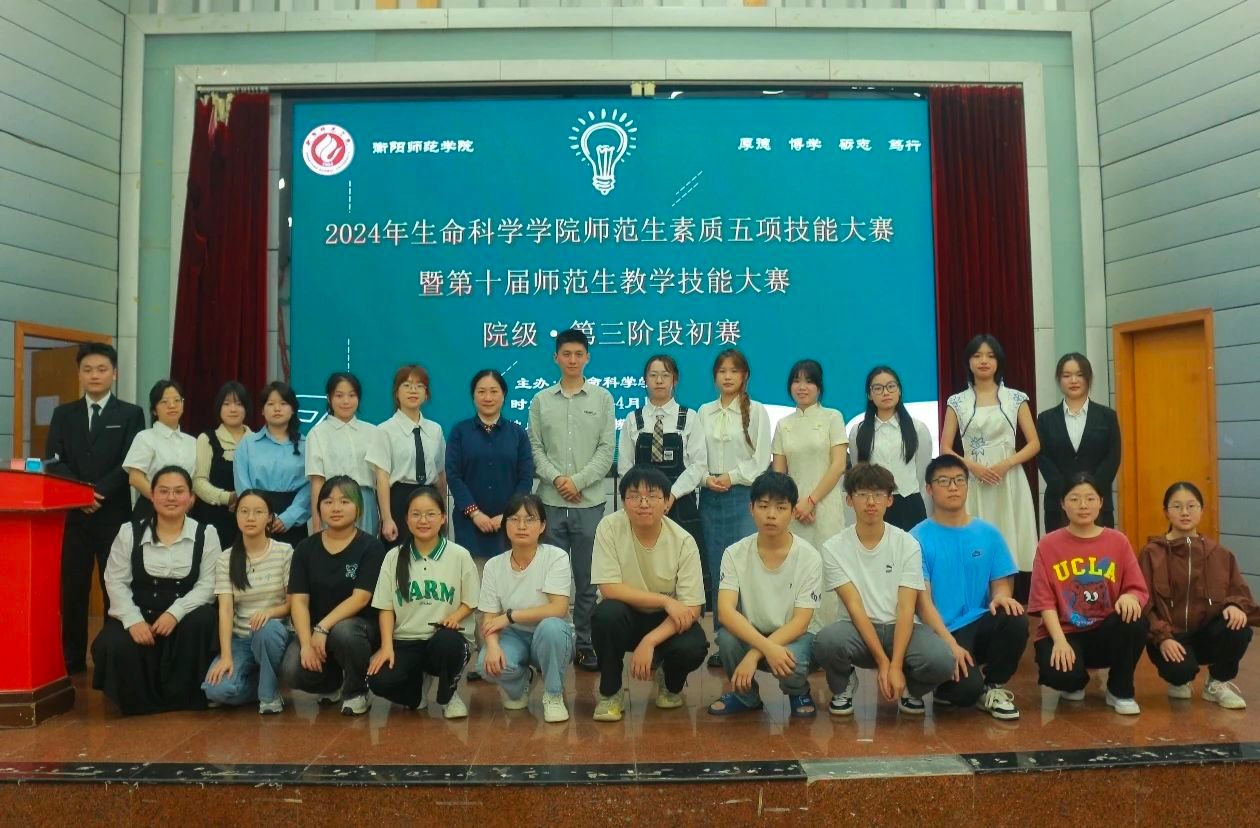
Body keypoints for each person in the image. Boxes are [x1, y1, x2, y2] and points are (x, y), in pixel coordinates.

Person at [813, 463, 954, 717]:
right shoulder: (834, 548)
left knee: (943, 659)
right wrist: (882, 662)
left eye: (878, 494)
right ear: (849, 500)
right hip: (858, 630)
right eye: (862, 494)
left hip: (903, 628)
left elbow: (906, 606)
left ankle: (911, 689)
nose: (871, 502)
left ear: (890, 500)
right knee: (826, 641)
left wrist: (896, 665)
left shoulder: (908, 543)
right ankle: (844, 686)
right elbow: (854, 606)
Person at [45, 342, 146, 675]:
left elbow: (130, 462)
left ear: (114, 373)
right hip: (74, 517)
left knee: (114, 589)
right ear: (79, 374)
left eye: (102, 369)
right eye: (87, 370)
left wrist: (96, 493)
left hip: (113, 516)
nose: (94, 375)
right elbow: (53, 461)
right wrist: (80, 495)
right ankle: (71, 661)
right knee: (73, 590)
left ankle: (108, 661)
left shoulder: (131, 414)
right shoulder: (64, 414)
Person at [90, 466, 220, 715]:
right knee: (112, 643)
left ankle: (183, 697)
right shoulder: (129, 533)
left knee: (204, 618)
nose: (171, 498)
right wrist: (133, 620)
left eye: (179, 491)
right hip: (140, 615)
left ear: (191, 498)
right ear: (152, 495)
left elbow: (208, 585)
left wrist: (175, 613)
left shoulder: (207, 534)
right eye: (164, 491)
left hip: (182, 620)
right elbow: (115, 581)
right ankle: (138, 702)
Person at [911, 455, 1028, 720]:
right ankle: (944, 683)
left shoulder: (989, 533)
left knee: (1014, 617)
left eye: (959, 480)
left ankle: (994, 686)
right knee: (965, 693)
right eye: (944, 481)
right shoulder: (916, 538)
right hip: (940, 630)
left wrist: (1001, 597)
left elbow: (1001, 583)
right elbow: (922, 603)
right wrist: (949, 643)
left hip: (979, 622)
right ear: (929, 489)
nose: (953, 487)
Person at [589, 465, 707, 722]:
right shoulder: (609, 527)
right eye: (634, 496)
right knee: (605, 615)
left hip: (665, 621)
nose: (643, 503)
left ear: (666, 502)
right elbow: (609, 588)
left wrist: (650, 641)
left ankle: (670, 683)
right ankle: (611, 693)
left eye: (652, 496)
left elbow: (692, 608)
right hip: (624, 614)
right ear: (623, 502)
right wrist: (665, 600)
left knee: (694, 645)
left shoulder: (683, 541)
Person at [529, 328, 615, 672]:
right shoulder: (540, 400)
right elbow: (535, 448)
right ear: (556, 357)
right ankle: (550, 640)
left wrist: (576, 482)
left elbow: (606, 450)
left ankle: (583, 642)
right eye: (566, 354)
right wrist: (558, 480)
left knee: (587, 580)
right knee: (548, 578)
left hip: (589, 502)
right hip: (549, 502)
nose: (573, 360)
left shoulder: (602, 399)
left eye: (579, 354)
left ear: (587, 357)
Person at [1028, 473, 1149, 715]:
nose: (1083, 505)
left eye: (1090, 498)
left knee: (1135, 620)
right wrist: (1059, 641)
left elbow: (1137, 588)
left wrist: (1130, 596)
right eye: (1074, 499)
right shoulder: (1048, 544)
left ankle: (1120, 690)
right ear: (1063, 503)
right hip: (1065, 631)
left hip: (1105, 631)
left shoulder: (1118, 541)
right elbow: (1044, 601)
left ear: (1101, 502)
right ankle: (1075, 680)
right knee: (1062, 677)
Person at [708, 471, 821, 719]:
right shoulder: (734, 553)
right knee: (726, 639)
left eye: (780, 507)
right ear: (751, 508)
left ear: (793, 512)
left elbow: (801, 622)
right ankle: (745, 696)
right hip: (753, 631)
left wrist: (755, 654)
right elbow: (725, 612)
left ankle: (798, 691)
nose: (771, 514)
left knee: (793, 659)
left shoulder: (809, 556)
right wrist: (765, 647)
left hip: (794, 636)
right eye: (763, 506)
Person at [1140, 481, 1258, 709]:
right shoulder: (1151, 553)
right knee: (1179, 671)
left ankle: (1217, 683)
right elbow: (1145, 603)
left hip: (1207, 634)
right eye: (1177, 506)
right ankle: (1179, 680)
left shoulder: (1220, 554)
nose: (1185, 512)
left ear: (1202, 510)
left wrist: (1235, 605)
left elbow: (1239, 592)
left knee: (1239, 627)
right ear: (1166, 512)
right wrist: (1162, 637)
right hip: (1171, 638)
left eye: (1191, 506)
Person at [941, 334, 1040, 601]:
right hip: (973, 481)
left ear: (998, 361)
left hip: (1009, 480)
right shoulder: (957, 402)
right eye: (977, 356)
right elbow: (946, 448)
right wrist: (972, 467)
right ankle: (977, 604)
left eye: (990, 356)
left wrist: (1007, 463)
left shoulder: (1016, 398)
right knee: (974, 540)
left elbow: (1034, 443)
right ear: (968, 362)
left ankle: (1005, 603)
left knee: (1009, 538)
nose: (983, 361)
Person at [368, 486, 479, 719]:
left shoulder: (459, 555)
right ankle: (415, 691)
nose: (423, 520)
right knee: (377, 680)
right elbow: (386, 607)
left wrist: (454, 617)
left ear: (443, 518)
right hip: (406, 640)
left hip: (443, 639)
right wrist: (386, 646)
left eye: (431, 514)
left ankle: (449, 695)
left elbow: (471, 601)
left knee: (448, 643)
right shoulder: (393, 556)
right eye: (416, 514)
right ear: (406, 519)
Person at [281, 475, 386, 716]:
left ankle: (357, 691)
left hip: (360, 630)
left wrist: (323, 627)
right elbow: (299, 601)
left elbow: (361, 598)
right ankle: (332, 684)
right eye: (328, 502)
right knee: (291, 669)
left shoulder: (371, 547)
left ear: (358, 507)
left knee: (344, 632)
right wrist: (306, 643)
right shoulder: (305, 548)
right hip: (318, 632)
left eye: (344, 501)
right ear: (318, 508)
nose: (336, 508)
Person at [698, 349, 771, 662]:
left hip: (743, 496)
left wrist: (732, 476)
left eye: (734, 371)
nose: (727, 376)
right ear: (715, 376)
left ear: (745, 376)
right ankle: (723, 640)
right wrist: (706, 479)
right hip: (710, 497)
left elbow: (760, 459)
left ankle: (750, 639)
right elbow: (694, 456)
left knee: (744, 569)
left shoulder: (757, 411)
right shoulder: (704, 411)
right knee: (718, 569)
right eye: (722, 371)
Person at [617, 354, 709, 605]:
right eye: (653, 375)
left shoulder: (689, 417)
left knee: (684, 565)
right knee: (642, 564)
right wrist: (644, 499)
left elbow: (698, 465)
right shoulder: (633, 419)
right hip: (642, 507)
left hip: (680, 504)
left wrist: (671, 495)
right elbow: (625, 467)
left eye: (665, 375)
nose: (659, 381)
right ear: (645, 380)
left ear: (674, 380)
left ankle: (686, 615)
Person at [476, 493, 575, 723]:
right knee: (484, 664)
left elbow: (559, 608)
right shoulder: (493, 566)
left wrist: (510, 616)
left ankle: (553, 694)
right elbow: (489, 617)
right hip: (513, 636)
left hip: (552, 635)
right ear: (505, 525)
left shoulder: (555, 557)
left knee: (551, 628)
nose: (521, 526)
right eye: (514, 519)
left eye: (530, 519)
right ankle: (521, 683)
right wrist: (492, 646)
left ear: (542, 526)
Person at [201, 490, 292, 714]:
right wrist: (226, 656)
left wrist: (270, 613)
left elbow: (292, 604)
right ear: (236, 515)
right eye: (244, 511)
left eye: (258, 512)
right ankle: (265, 683)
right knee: (216, 690)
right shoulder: (226, 558)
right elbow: (225, 610)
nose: (250, 518)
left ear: (269, 517)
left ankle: (269, 698)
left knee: (265, 629)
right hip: (241, 639)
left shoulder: (284, 552)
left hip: (276, 635)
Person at [772, 358, 846, 626]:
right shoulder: (784, 424)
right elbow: (779, 475)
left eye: (809, 381)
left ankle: (828, 633)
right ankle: (798, 631)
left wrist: (812, 500)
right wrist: (794, 506)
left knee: (828, 568)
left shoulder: (832, 417)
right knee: (796, 569)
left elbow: (838, 465)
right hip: (793, 512)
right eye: (796, 381)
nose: (802, 387)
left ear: (819, 387)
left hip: (825, 508)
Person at [1036, 353, 1121, 532]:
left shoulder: (1107, 416)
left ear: (1088, 378)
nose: (1073, 380)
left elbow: (1112, 457)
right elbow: (1043, 458)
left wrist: (1090, 492)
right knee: (1060, 549)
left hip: (1098, 503)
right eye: (1066, 375)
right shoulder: (1045, 419)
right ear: (1059, 380)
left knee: (1099, 550)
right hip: (1058, 504)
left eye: (1080, 374)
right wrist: (1067, 492)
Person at [368, 364, 446, 545]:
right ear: (396, 392)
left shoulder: (435, 430)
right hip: (399, 499)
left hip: (430, 497)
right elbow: (382, 478)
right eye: (407, 385)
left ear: (426, 394)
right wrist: (386, 518)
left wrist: (442, 511)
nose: (413, 390)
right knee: (400, 555)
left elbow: (441, 474)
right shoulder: (385, 430)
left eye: (419, 386)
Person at [847, 365, 932, 531]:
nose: (885, 392)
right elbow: (859, 471)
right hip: (874, 505)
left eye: (891, 386)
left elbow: (922, 472)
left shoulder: (918, 428)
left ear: (899, 391)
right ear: (869, 395)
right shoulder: (858, 431)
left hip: (909, 503)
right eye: (878, 388)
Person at [233, 381, 311, 547]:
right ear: (262, 410)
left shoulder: (307, 445)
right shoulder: (247, 445)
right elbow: (243, 486)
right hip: (255, 519)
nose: (277, 409)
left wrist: (289, 517)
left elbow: (310, 486)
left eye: (283, 403)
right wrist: (261, 515)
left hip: (293, 521)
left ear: (293, 409)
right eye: (270, 404)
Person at [307, 372, 379, 534]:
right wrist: (317, 525)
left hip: (365, 501)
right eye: (339, 395)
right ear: (329, 398)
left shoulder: (372, 432)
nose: (346, 401)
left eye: (352, 395)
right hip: (333, 502)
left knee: (366, 547)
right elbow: (317, 481)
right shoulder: (318, 433)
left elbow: (381, 479)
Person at [124, 379, 198, 522]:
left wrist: (190, 498)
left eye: (177, 400)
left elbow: (195, 479)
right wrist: (161, 500)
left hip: (184, 511)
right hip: (150, 508)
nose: (172, 405)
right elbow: (135, 478)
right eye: (164, 402)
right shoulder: (145, 437)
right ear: (154, 410)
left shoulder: (192, 442)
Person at [192, 380, 251, 548]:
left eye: (239, 404)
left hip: (250, 518)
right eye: (227, 404)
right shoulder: (206, 439)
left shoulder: (256, 440)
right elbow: (198, 481)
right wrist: (228, 498)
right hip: (213, 519)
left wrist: (246, 501)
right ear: (219, 407)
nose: (233, 409)